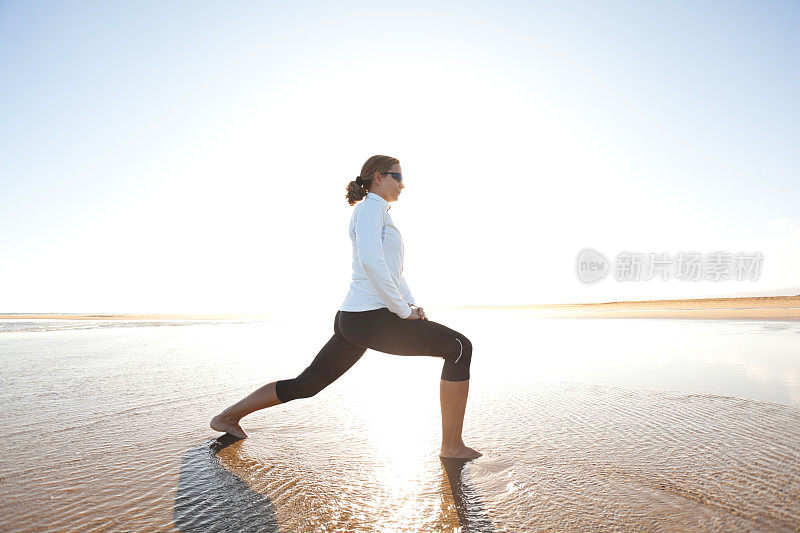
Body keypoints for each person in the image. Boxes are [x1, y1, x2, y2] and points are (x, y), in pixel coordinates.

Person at [210, 155, 481, 460]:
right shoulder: (368, 209)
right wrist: (403, 312)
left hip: (357, 319)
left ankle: (227, 418)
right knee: (459, 347)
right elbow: (370, 261)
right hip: (369, 318)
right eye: (397, 177)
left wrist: (410, 304)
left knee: (307, 384)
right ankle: (452, 447)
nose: (403, 184)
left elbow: (394, 271)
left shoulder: (380, 213)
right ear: (378, 178)